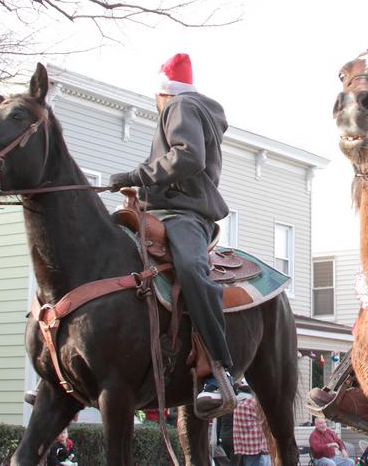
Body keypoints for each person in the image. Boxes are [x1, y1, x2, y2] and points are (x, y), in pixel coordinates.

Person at [108, 52, 235, 415]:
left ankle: (220, 370)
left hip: (185, 214)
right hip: (157, 209)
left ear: (162, 92)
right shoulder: (189, 108)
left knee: (193, 270)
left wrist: (136, 176)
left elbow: (188, 157)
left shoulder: (180, 106)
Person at [232, 395, 270, 466]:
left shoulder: (236, 405)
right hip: (257, 445)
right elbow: (266, 421)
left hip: (245, 445)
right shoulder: (252, 403)